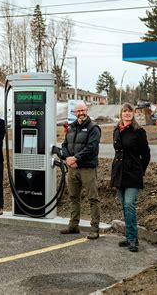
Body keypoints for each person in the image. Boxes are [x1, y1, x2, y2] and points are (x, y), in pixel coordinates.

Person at [111, 103, 150, 252]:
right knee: (124, 206)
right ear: (121, 113)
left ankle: (133, 239)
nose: (127, 114)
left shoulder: (139, 131)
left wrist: (140, 171)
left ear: (134, 113)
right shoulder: (116, 130)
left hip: (133, 174)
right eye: (124, 111)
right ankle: (129, 237)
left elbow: (145, 155)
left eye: (130, 111)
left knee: (129, 205)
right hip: (119, 174)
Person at [60, 101, 101, 239]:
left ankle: (95, 229)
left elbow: (91, 148)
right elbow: (64, 145)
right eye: (78, 111)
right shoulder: (71, 128)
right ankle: (73, 226)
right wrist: (68, 158)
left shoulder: (93, 128)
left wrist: (76, 158)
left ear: (87, 110)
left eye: (82, 110)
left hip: (87, 168)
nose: (80, 113)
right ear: (74, 113)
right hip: (72, 168)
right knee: (73, 197)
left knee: (93, 198)